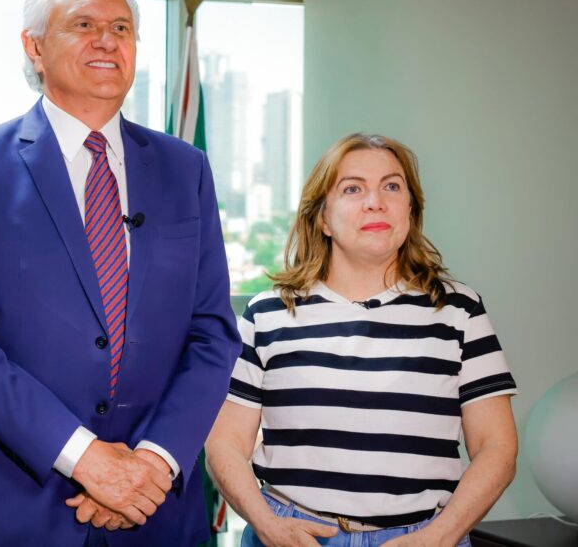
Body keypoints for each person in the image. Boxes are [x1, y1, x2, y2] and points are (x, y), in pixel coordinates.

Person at [0, 0, 241, 546]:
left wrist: (152, 464)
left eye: (121, 28)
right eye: (83, 25)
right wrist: (88, 461)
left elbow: (213, 333)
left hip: (154, 511)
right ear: (34, 47)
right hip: (12, 510)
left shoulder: (185, 169)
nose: (106, 40)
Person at [206, 133, 518, 547]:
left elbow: (497, 447)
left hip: (425, 538)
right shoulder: (268, 313)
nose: (376, 202)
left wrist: (440, 537)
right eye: (352, 189)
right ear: (322, 218)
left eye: (392, 186)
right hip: (293, 535)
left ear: (410, 209)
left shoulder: (460, 310)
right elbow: (225, 443)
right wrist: (266, 523)